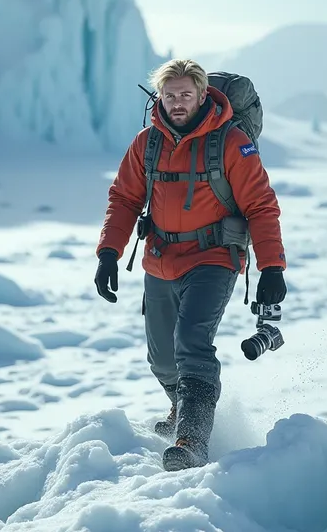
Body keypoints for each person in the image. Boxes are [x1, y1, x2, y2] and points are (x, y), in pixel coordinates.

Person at [95, 58, 287, 471]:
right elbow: (125, 199)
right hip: (161, 259)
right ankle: (183, 407)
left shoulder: (232, 142)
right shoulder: (147, 142)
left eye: (185, 95)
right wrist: (108, 253)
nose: (177, 103)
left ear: (202, 95)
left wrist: (272, 267)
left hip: (214, 257)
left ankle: (192, 440)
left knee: (191, 344)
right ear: (158, 98)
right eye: (169, 95)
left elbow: (261, 205)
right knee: (162, 359)